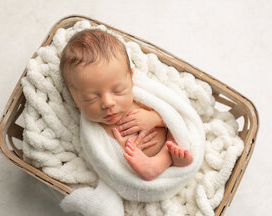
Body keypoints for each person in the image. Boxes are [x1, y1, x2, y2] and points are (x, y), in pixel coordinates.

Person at [59, 29, 193, 181]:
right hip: (140, 173)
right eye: (91, 98)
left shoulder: (141, 102)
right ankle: (157, 165)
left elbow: (173, 114)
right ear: (73, 96)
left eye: (117, 91)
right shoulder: (95, 132)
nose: (108, 103)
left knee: (176, 134)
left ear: (131, 78)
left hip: (168, 146)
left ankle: (169, 159)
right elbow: (104, 163)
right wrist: (125, 152)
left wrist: (154, 118)